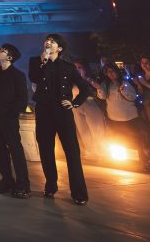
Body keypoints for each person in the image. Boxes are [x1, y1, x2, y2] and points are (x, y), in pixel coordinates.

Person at [30, 33, 89, 205]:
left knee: (72, 152)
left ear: (60, 48)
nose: (48, 42)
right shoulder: (36, 62)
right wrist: (43, 61)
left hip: (63, 112)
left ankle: (79, 193)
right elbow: (34, 77)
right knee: (46, 150)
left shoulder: (69, 67)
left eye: (53, 41)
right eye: (47, 40)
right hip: (44, 111)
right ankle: (50, 186)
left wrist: (74, 103)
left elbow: (84, 87)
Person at [0, 43, 30, 198]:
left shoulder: (18, 75)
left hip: (9, 118)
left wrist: (10, 113)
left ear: (10, 57)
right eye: (0, 49)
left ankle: (23, 184)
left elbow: (22, 99)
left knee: (15, 150)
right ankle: (7, 180)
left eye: (3, 51)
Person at [97, 65, 148, 158]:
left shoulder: (125, 82)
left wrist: (123, 90)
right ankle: (125, 159)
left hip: (129, 117)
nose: (111, 73)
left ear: (117, 71)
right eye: (108, 72)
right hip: (114, 118)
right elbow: (102, 96)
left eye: (112, 71)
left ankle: (139, 159)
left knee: (134, 140)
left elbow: (132, 97)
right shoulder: (105, 84)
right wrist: (98, 88)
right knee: (120, 140)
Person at [72, 59, 107, 156]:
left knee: (96, 130)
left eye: (79, 67)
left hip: (91, 104)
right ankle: (90, 151)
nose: (77, 69)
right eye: (75, 68)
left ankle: (101, 152)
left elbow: (102, 94)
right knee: (83, 130)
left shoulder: (91, 79)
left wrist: (86, 79)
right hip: (76, 106)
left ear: (84, 68)